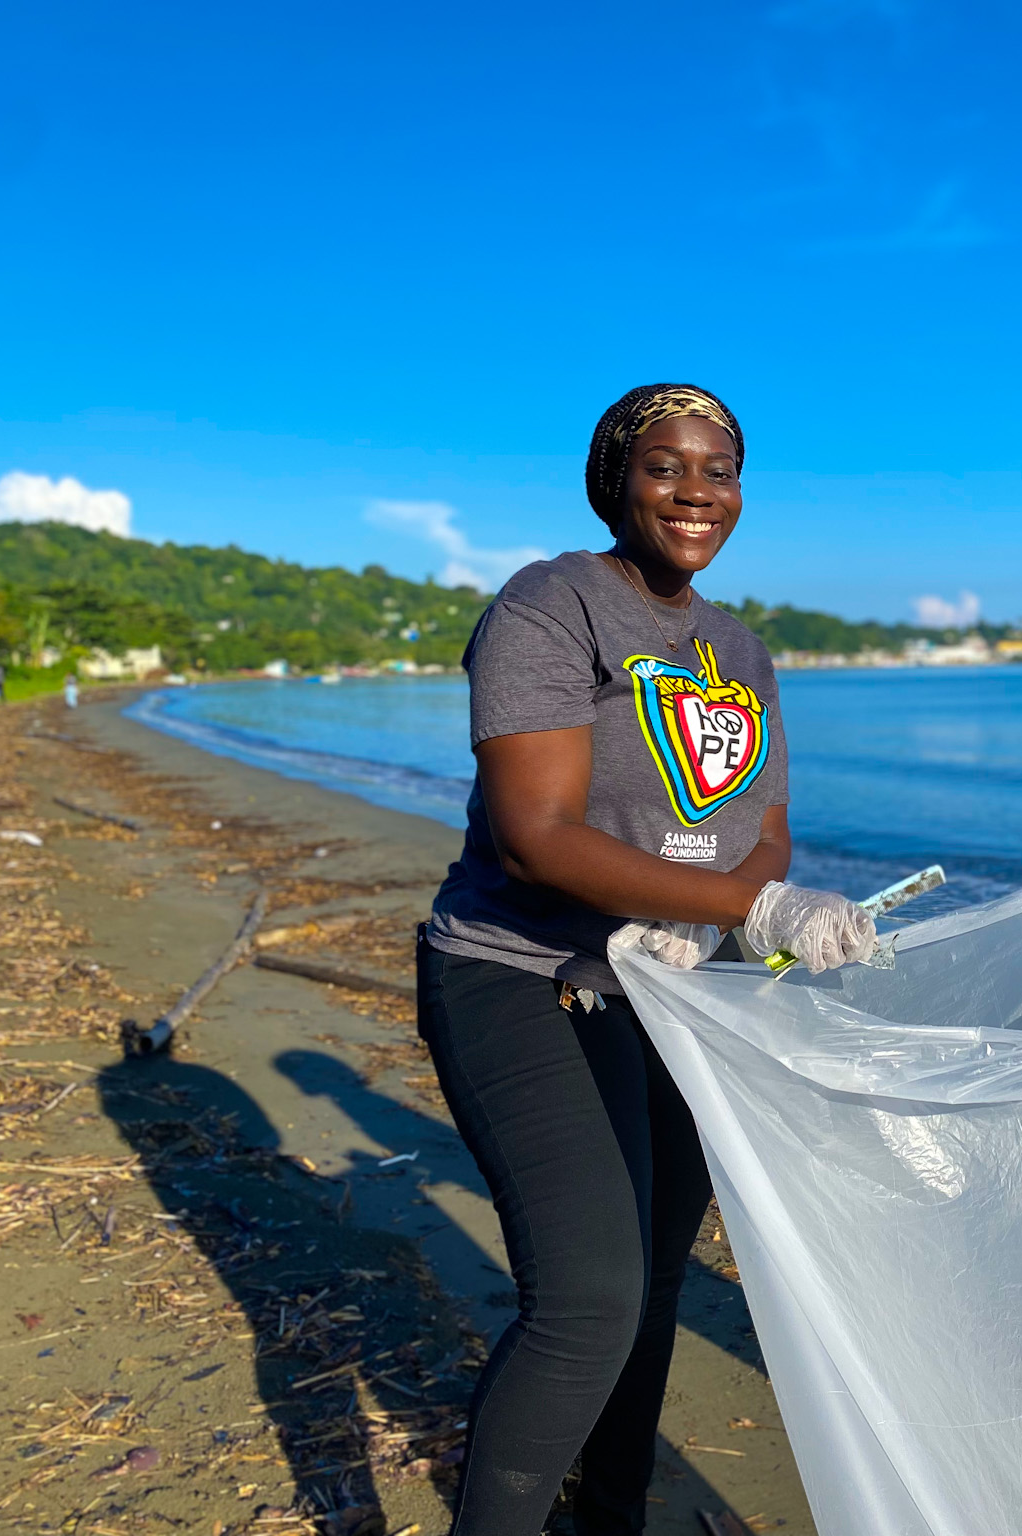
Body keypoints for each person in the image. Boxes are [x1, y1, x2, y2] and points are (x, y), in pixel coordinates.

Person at [419, 383, 880, 1536]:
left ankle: (607, 1515)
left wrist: (733, 910)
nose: (694, 492)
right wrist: (747, 905)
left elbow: (761, 826)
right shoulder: (550, 604)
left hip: (676, 992)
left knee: (657, 1279)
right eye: (665, 466)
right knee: (587, 1301)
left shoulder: (738, 647)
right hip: (520, 975)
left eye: (718, 470)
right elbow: (535, 840)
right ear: (613, 478)